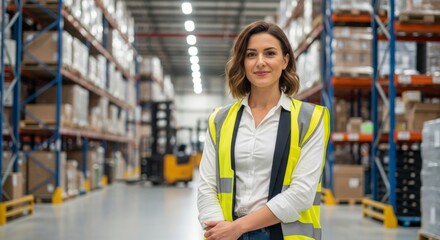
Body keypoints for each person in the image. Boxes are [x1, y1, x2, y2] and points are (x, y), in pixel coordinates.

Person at [197, 20, 330, 240]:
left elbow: (302, 193)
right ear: (243, 62)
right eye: (251, 55)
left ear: (285, 60)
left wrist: (239, 227)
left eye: (270, 54)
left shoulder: (311, 119)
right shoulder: (219, 120)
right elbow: (206, 186)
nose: (260, 62)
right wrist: (220, 230)